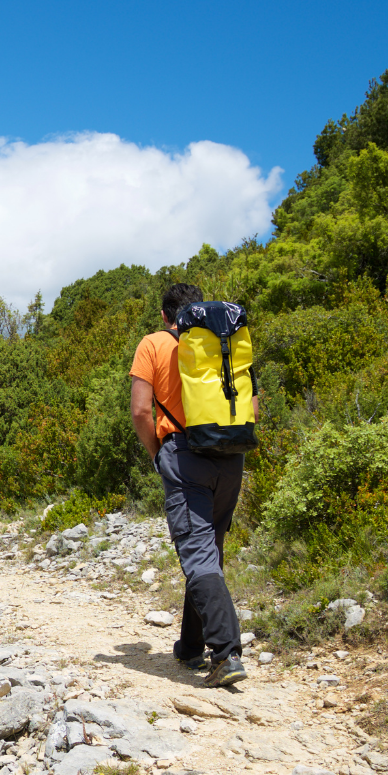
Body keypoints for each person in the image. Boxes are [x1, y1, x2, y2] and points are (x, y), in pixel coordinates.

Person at [128, 282, 253, 688]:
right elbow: (251, 403)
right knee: (209, 548)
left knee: (198, 553)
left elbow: (141, 411)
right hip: (231, 452)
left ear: (165, 315)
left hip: (184, 454)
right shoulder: (224, 340)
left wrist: (157, 453)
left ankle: (226, 653)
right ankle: (191, 646)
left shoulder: (153, 344)